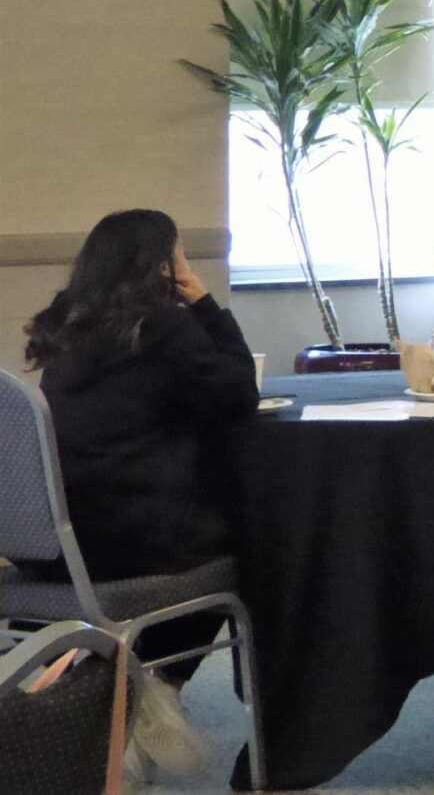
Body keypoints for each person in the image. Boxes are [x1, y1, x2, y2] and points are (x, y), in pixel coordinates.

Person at [21, 208, 260, 780]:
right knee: (248, 553)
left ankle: (130, 694)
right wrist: (205, 304)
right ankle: (155, 689)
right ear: (163, 265)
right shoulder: (161, 326)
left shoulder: (64, 328)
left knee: (201, 537)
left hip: (61, 553)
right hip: (139, 548)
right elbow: (238, 396)